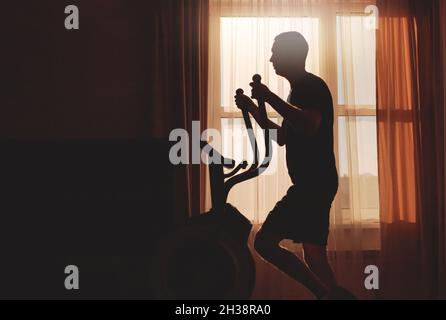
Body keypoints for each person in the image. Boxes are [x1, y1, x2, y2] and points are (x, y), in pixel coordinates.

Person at [235, 31, 355, 300]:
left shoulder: (311, 87)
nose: (271, 59)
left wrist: (268, 96)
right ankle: (332, 296)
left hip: (313, 183)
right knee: (313, 253)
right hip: (314, 182)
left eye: (275, 53)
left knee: (265, 242)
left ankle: (326, 296)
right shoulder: (296, 93)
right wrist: (253, 108)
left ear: (290, 55)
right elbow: (282, 138)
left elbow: (309, 124)